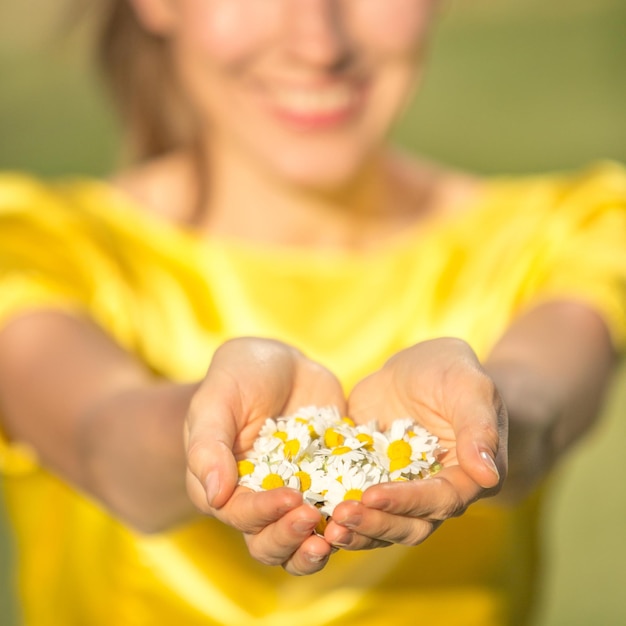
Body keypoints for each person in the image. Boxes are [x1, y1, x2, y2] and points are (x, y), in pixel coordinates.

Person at [0, 1, 624, 624]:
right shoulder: (33, 248)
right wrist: (204, 431)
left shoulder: (569, 234)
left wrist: (485, 419)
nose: (318, 43)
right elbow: (102, 442)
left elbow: (539, 400)